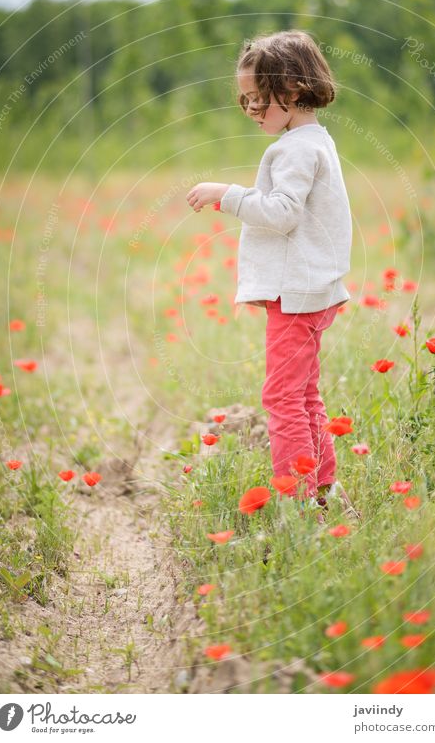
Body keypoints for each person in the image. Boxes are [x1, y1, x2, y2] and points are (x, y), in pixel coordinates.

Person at [185, 30, 360, 520]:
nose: (251, 109)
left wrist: (227, 194)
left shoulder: (297, 150)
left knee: (281, 397)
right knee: (304, 393)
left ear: (292, 90)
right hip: (313, 290)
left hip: (297, 294)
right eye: (245, 101)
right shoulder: (315, 140)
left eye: (258, 99)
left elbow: (283, 213)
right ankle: (323, 488)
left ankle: (298, 501)